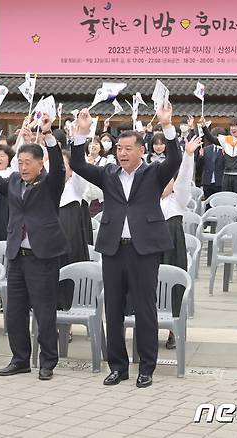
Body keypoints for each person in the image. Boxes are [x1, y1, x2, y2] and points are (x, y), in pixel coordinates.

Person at [70, 104, 181, 388]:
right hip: (114, 249)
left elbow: (175, 159)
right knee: (114, 308)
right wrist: (81, 134)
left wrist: (167, 126)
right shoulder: (108, 174)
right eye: (119, 148)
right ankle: (118, 367)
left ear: (141, 150)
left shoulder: (154, 174)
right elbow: (80, 165)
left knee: (145, 309)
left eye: (129, 148)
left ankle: (146, 367)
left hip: (144, 250)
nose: (122, 153)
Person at [0, 115, 68, 381]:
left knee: (44, 311)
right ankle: (20, 359)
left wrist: (49, 135)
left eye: (29, 163)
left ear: (41, 164)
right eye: (20, 162)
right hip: (17, 255)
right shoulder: (14, 181)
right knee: (14, 311)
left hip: (43, 257)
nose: (24, 167)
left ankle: (48, 361)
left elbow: (60, 170)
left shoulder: (51, 184)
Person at [159, 135, 202, 349]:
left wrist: (188, 155)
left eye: (168, 180)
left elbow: (185, 178)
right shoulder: (146, 200)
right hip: (151, 249)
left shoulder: (177, 200)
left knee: (173, 288)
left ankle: (173, 331)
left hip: (172, 249)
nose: (165, 184)